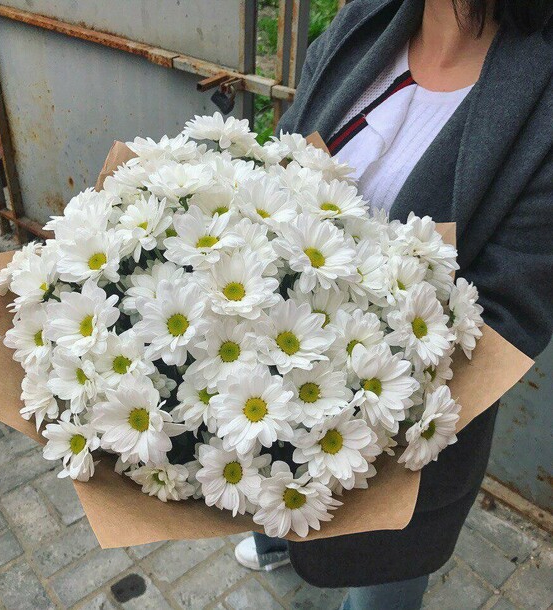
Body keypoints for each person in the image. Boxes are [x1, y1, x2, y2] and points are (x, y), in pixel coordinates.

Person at [234, 0, 553, 608]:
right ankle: (276, 541)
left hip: (399, 445)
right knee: (258, 480)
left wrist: (344, 400)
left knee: (381, 580)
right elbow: (283, 155)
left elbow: (509, 319)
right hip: (264, 380)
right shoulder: (367, 23)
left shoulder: (541, 98)